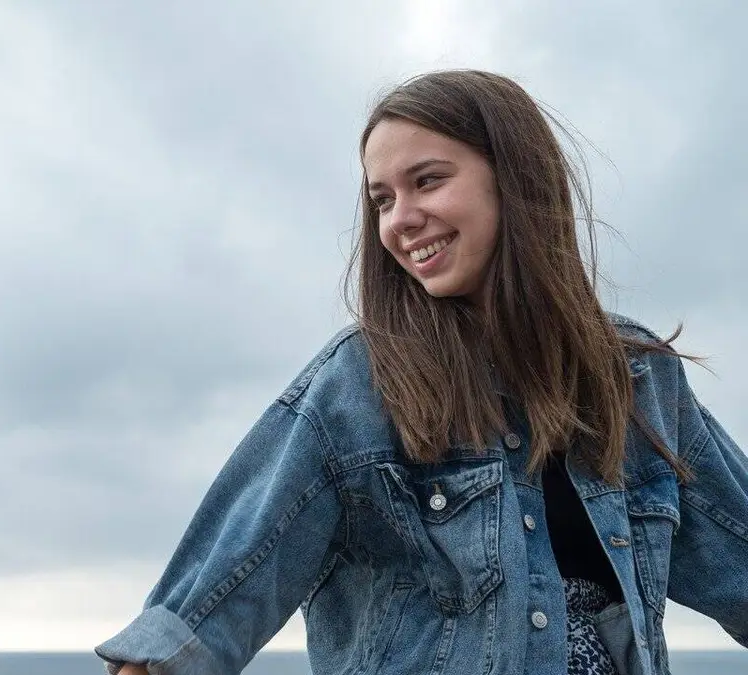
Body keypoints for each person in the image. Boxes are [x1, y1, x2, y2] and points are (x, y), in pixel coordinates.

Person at [94, 69, 748, 675]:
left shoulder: (633, 379)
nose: (399, 220)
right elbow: (191, 629)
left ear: (514, 178)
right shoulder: (357, 386)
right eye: (382, 199)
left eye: (428, 181)